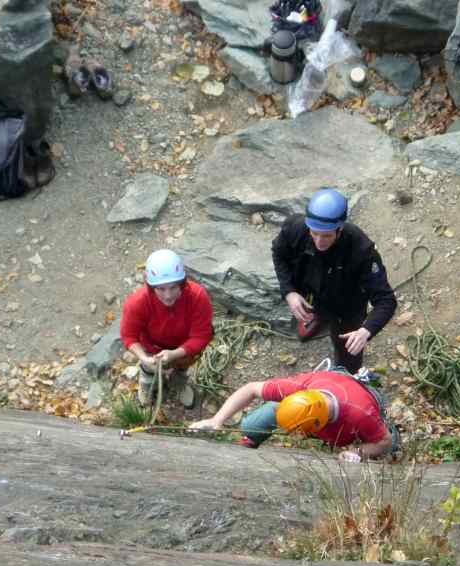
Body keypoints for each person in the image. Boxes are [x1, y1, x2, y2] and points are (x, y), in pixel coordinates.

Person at [272, 188, 397, 373]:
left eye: (327, 235)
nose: (319, 242)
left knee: (348, 353)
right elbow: (279, 253)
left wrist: (365, 331)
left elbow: (386, 300)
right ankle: (318, 317)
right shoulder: (296, 227)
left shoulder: (361, 250)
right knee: (310, 307)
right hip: (311, 291)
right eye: (314, 233)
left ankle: (346, 375)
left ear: (340, 229)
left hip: (346, 306)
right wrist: (289, 291)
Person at [189, 369, 397, 462]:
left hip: (357, 409)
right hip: (327, 388)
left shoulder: (360, 414)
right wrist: (217, 420)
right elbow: (251, 389)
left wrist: (358, 452)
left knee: (391, 444)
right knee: (256, 421)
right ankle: (251, 436)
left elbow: (384, 441)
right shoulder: (298, 388)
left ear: (318, 426)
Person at [120, 249, 213, 408]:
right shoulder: (138, 302)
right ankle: (148, 383)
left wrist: (175, 354)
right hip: (151, 347)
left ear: (182, 283)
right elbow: (129, 336)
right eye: (161, 289)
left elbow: (201, 335)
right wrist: (144, 358)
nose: (168, 295)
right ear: (151, 287)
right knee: (149, 368)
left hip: (185, 347)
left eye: (173, 287)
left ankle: (179, 381)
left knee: (182, 366)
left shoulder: (197, 296)